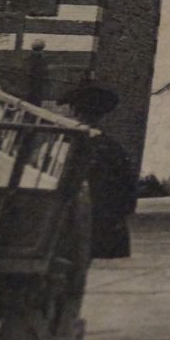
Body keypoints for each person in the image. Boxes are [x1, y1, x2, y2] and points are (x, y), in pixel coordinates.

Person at [61, 82, 137, 259]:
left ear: (74, 112)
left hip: (60, 217)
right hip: (97, 218)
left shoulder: (61, 142)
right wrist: (121, 215)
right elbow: (127, 186)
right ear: (102, 116)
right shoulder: (112, 147)